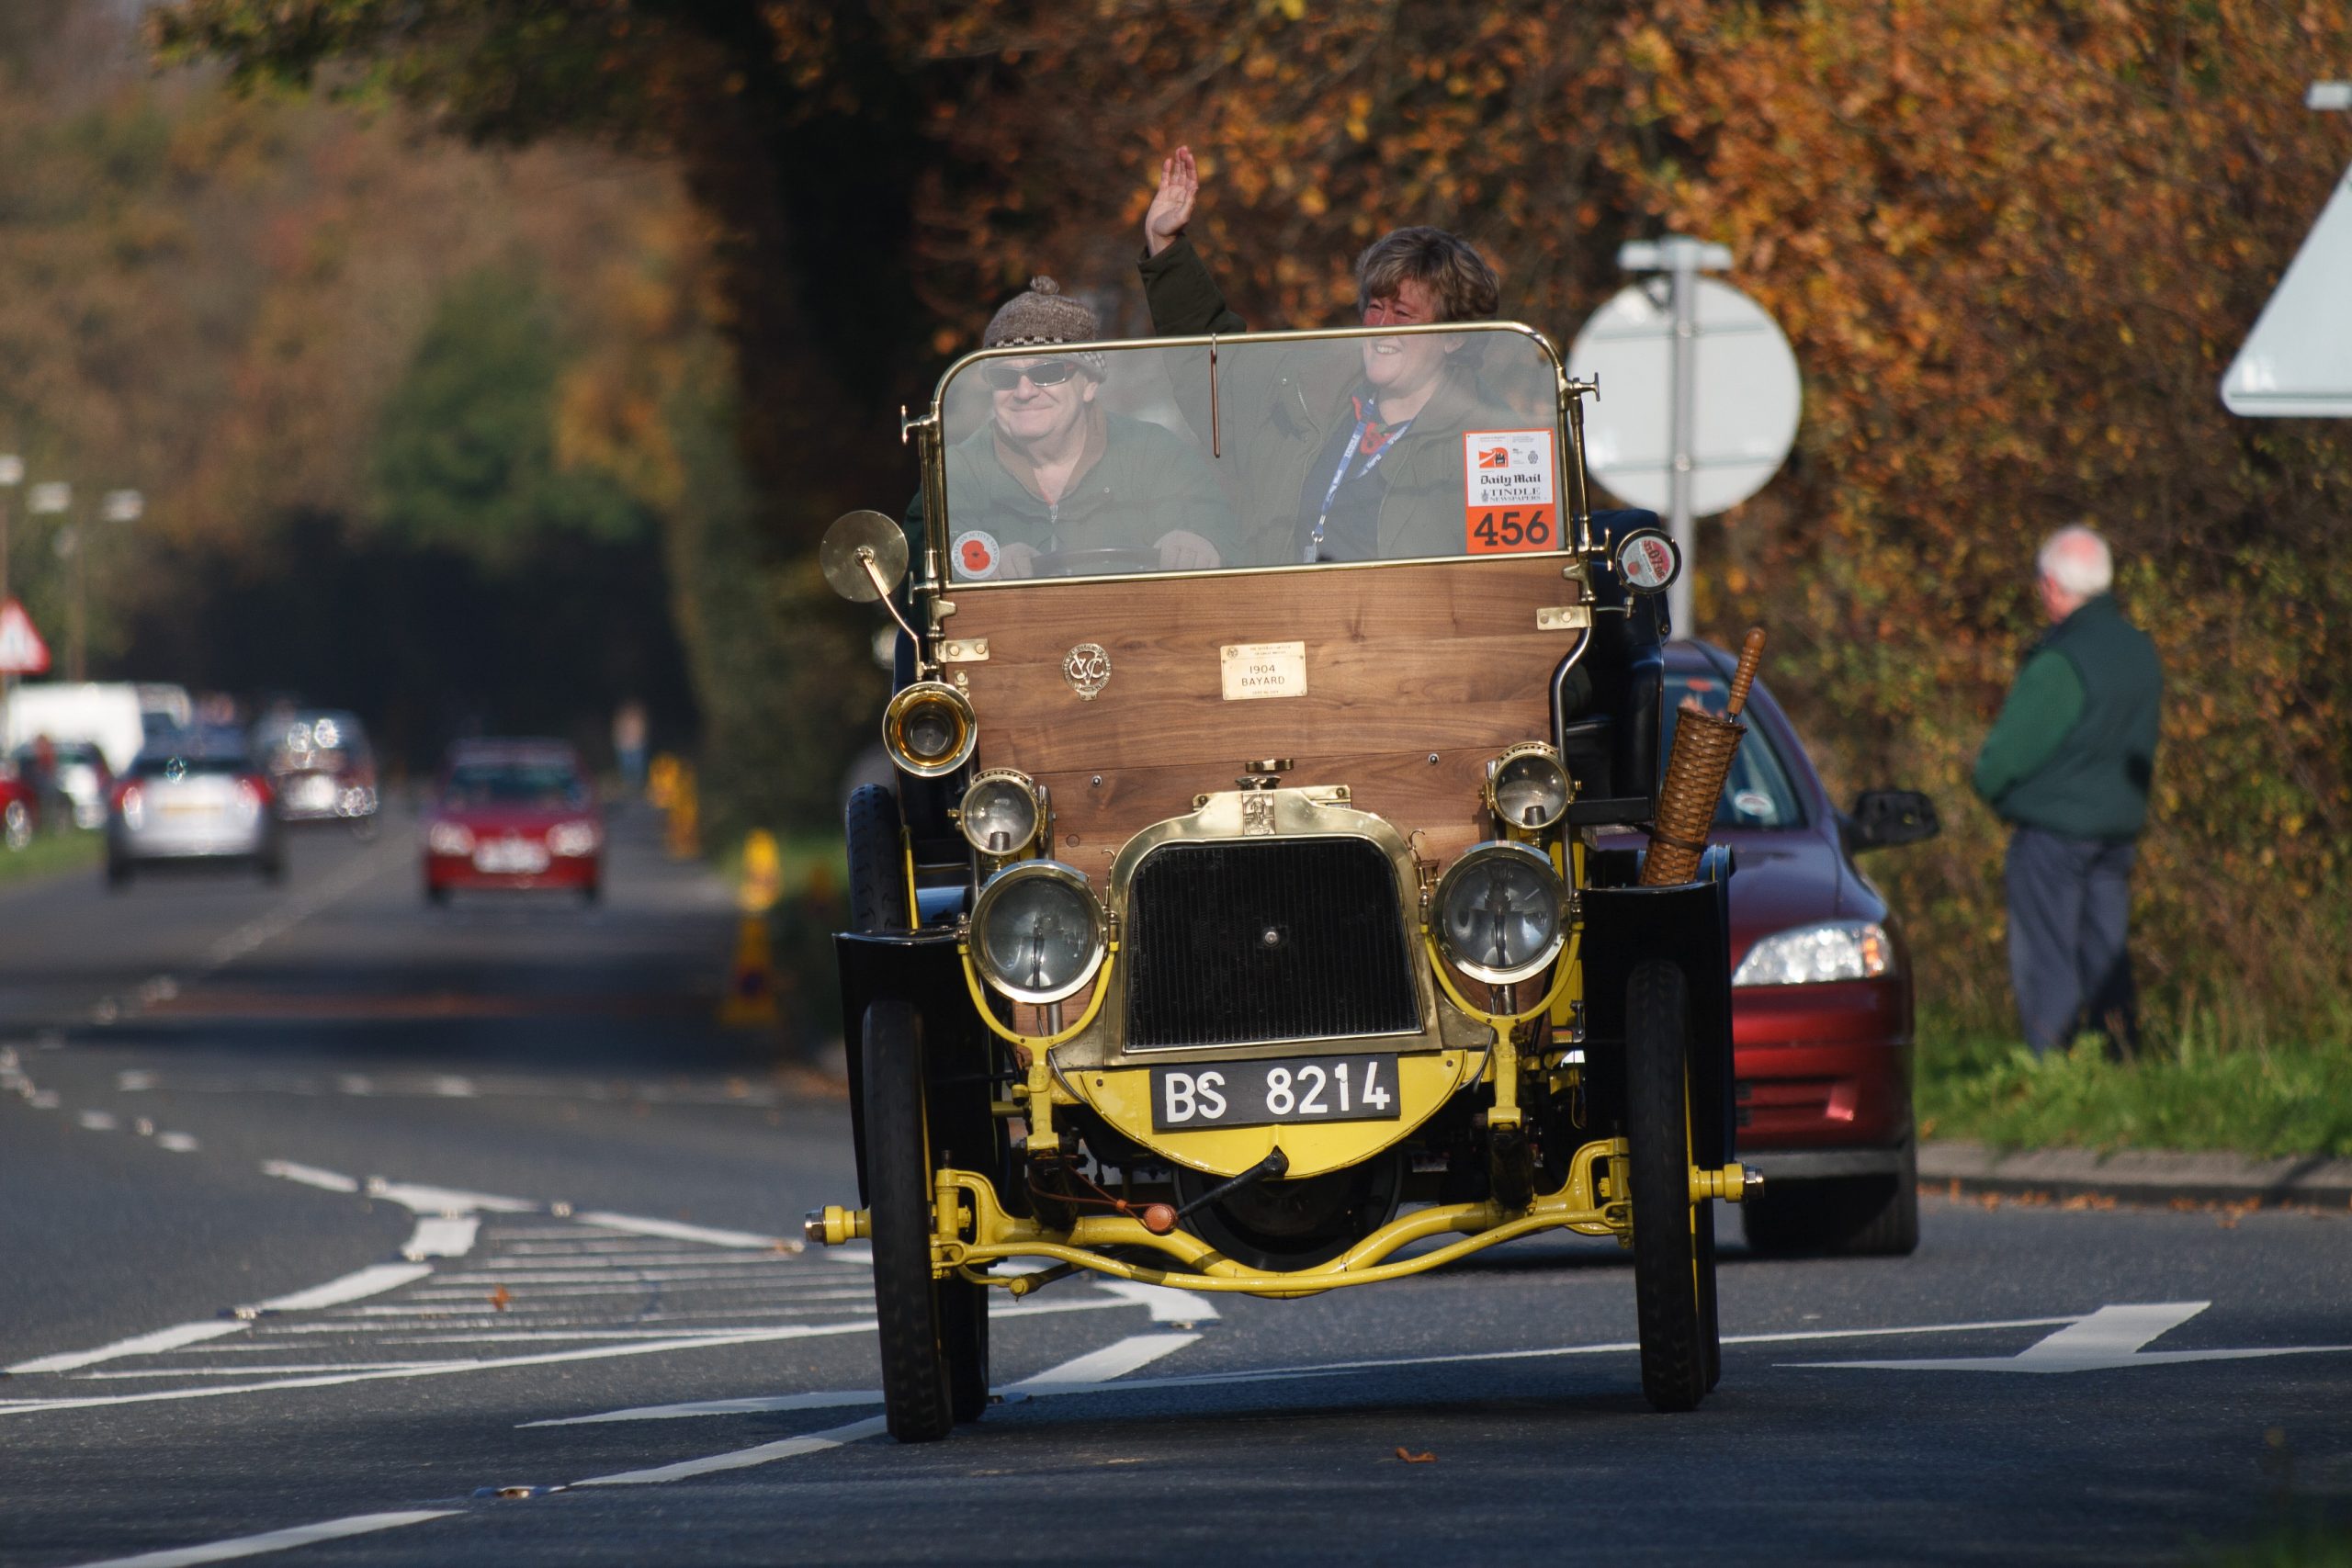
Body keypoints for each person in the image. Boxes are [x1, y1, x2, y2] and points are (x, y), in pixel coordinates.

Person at [1136, 145, 1521, 565]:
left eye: (1404, 314)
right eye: (1375, 307)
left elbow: (1509, 583)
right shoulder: (1305, 399)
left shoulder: (1494, 445)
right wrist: (1166, 247)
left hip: (1399, 628)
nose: (1382, 327)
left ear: (1454, 337)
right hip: (1286, 621)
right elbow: (1212, 372)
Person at [1972, 525, 2162, 1055]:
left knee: (2048, 957)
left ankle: (2051, 1063)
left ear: (2053, 585)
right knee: (2107, 952)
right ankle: (2121, 1057)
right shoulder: (2139, 649)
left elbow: (2006, 756)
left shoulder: (2062, 658)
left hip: (2054, 833)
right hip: (2117, 831)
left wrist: (1993, 790)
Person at [925, 277, 1233, 581]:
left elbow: (1224, 533)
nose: (1024, 391)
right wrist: (982, 567)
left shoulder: (1155, 453)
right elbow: (924, 571)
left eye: (1047, 371)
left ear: (1089, 384)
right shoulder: (954, 474)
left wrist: (1201, 542)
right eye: (1004, 377)